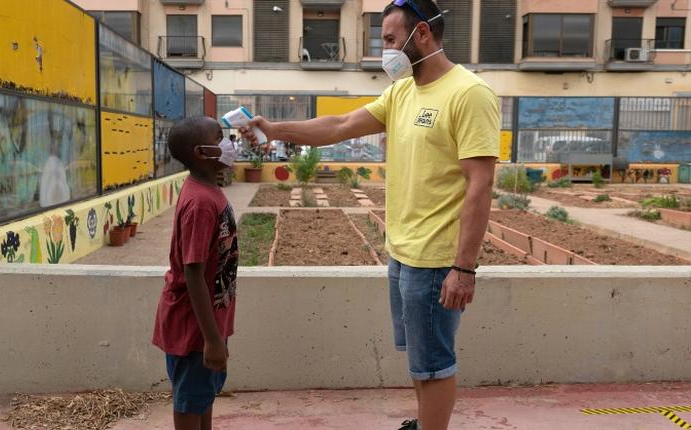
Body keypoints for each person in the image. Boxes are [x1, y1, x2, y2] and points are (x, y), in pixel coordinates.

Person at [240, 1, 499, 428]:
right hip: (401, 252)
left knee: (434, 363)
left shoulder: (469, 94)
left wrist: (463, 268)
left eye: (391, 41)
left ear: (422, 36)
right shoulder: (403, 91)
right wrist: (278, 130)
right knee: (419, 361)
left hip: (436, 259)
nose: (386, 52)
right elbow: (340, 125)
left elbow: (480, 184)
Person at [152, 116, 240, 430]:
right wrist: (212, 340)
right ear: (202, 152)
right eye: (220, 138)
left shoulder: (208, 191)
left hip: (206, 326)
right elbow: (193, 274)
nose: (229, 144)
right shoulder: (201, 203)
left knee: (202, 396)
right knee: (190, 401)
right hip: (195, 330)